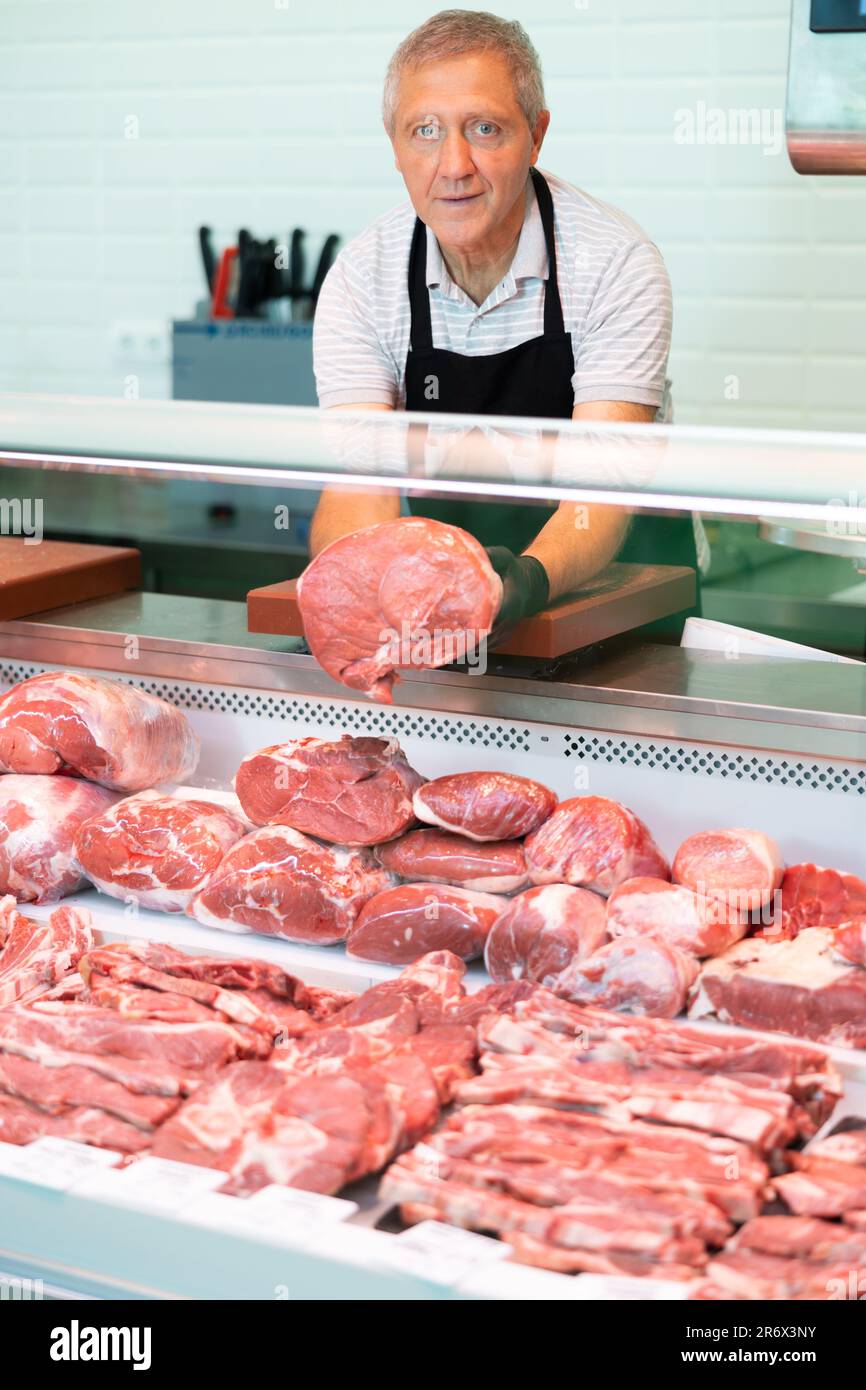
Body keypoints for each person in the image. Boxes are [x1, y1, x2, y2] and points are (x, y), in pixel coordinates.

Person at [312, 9, 698, 642]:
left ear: (536, 135)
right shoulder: (362, 277)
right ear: (394, 144)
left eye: (485, 129)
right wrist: (367, 585)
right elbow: (360, 484)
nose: (454, 163)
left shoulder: (614, 261)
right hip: (444, 624)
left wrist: (520, 582)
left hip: (623, 609)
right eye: (425, 131)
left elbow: (599, 494)